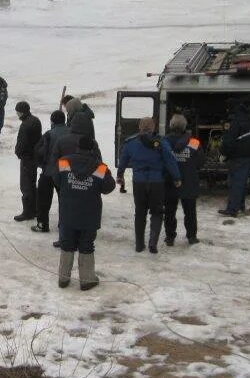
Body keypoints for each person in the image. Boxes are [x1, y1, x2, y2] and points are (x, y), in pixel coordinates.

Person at [56, 135, 116, 289]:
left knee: (67, 243)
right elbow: (108, 187)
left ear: (78, 147)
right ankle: (87, 279)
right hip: (89, 214)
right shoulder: (100, 167)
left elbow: (57, 180)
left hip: (68, 212)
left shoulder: (64, 161)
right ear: (92, 149)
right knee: (86, 244)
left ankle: (63, 278)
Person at [117, 117, 181, 253]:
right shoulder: (161, 142)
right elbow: (170, 160)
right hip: (157, 182)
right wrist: (176, 177)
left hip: (139, 182)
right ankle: (153, 242)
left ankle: (139, 244)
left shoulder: (131, 142)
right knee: (157, 212)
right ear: (153, 127)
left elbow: (123, 160)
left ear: (139, 127)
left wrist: (120, 175)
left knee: (140, 212)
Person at [48, 109, 104, 248]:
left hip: (66, 183)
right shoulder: (91, 142)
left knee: (65, 210)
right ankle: (82, 239)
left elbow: (54, 163)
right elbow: (99, 163)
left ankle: (64, 238)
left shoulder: (62, 141)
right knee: (85, 210)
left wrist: (61, 183)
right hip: (89, 185)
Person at [164, 114, 203, 245]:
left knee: (169, 211)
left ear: (171, 126)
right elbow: (201, 162)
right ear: (184, 127)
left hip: (169, 182)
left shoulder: (164, 142)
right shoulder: (194, 142)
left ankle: (170, 237)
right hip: (189, 182)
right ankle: (192, 237)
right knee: (190, 211)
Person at [32, 109, 69, 233]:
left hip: (49, 171)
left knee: (43, 199)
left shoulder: (49, 134)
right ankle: (63, 224)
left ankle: (43, 224)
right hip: (65, 171)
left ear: (52, 121)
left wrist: (41, 165)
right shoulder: (72, 133)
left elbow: (39, 150)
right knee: (64, 200)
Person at [219, 102, 250, 217]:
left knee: (235, 182)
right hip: (248, 156)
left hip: (237, 157)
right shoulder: (249, 119)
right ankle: (240, 205)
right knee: (242, 182)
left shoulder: (236, 122)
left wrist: (223, 153)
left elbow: (229, 141)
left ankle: (232, 209)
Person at [13, 101, 42, 222]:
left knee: (26, 185)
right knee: (31, 183)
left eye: (18, 112)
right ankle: (35, 209)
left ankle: (28, 212)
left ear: (21, 112)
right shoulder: (35, 120)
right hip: (34, 157)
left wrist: (18, 153)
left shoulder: (25, 125)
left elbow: (22, 143)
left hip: (27, 158)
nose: (17, 114)